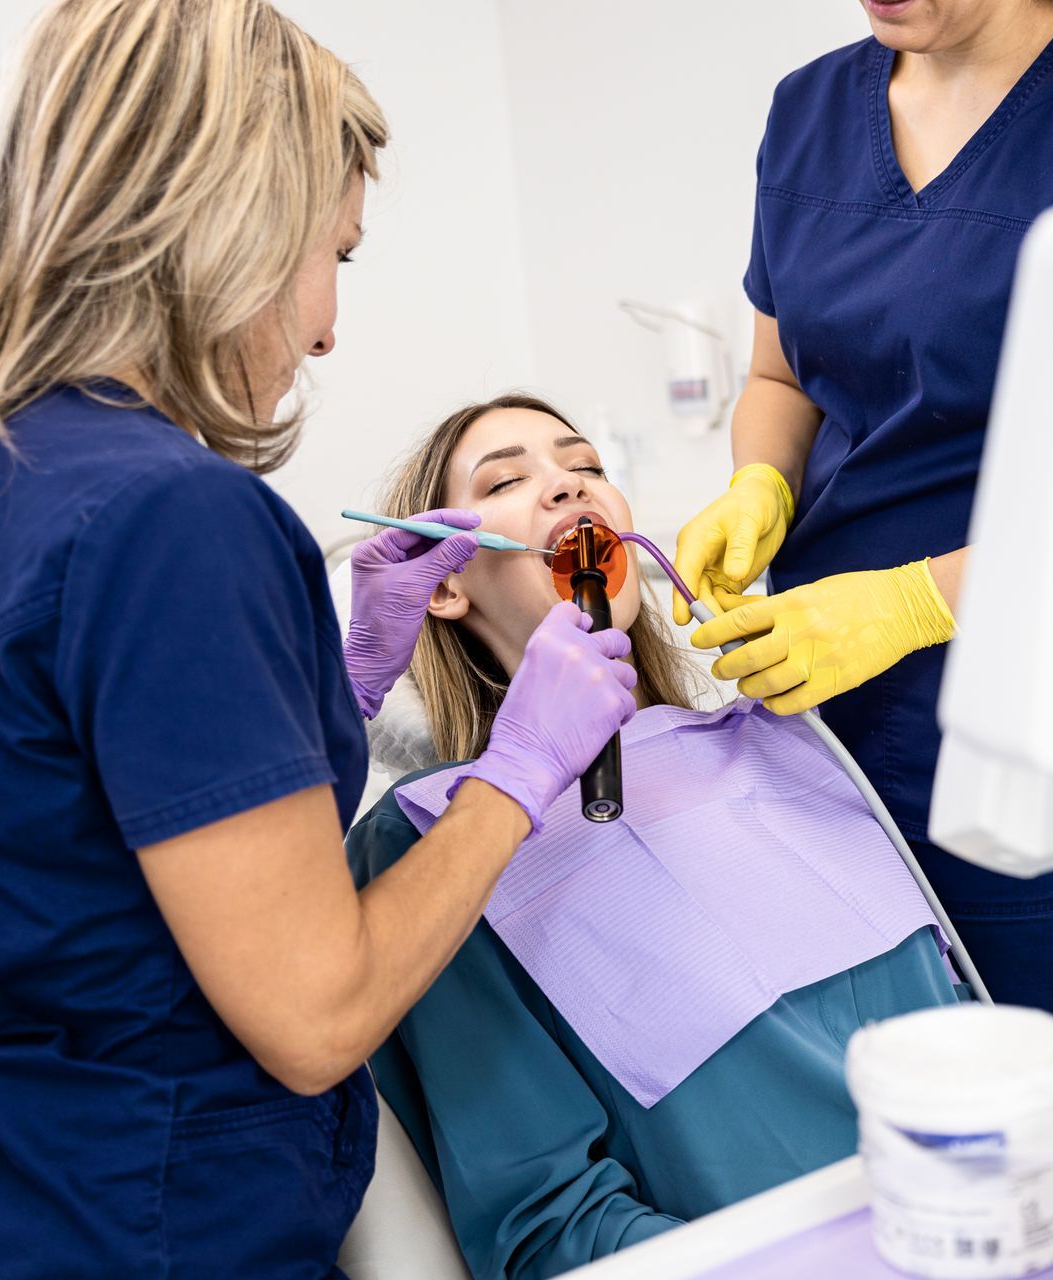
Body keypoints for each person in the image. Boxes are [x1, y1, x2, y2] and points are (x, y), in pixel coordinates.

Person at [0, 4, 633, 1274]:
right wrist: (518, 769)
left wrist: (336, 686)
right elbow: (317, 1011)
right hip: (145, 1220)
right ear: (231, 220)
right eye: (337, 257)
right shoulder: (170, 514)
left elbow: (82, 827)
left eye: (585, 465)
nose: (324, 331)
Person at [675, 0, 1053, 1083]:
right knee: (856, 1109)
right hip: (826, 716)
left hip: (1038, 723)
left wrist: (913, 601)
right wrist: (761, 477)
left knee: (1026, 1118)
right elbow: (778, 374)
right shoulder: (808, 110)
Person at [348, 393, 960, 1278]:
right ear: (443, 582)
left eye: (587, 466)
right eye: (511, 480)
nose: (566, 488)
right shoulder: (425, 837)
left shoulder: (780, 740)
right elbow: (550, 1228)